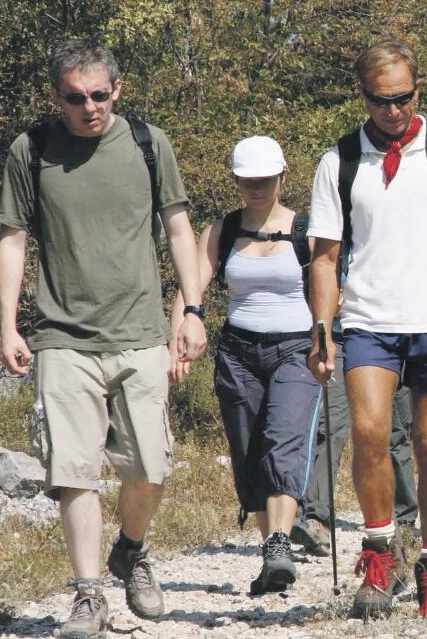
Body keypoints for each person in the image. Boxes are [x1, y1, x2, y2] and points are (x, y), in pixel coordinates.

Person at [0, 39, 206, 639]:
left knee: (149, 464)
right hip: (62, 336)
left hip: (140, 332)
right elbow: (12, 237)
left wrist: (191, 309)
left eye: (99, 95)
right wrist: (10, 324)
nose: (89, 107)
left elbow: (178, 227)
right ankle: (89, 595)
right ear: (55, 97)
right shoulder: (31, 150)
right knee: (74, 469)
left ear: (119, 89)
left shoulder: (147, 143)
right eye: (75, 97)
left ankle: (131, 550)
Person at [307, 40, 427, 619]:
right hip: (369, 318)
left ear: (418, 89)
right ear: (362, 96)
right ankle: (378, 554)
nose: (392, 111)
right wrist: (321, 327)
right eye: (379, 100)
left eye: (403, 98)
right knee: (369, 433)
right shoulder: (339, 160)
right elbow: (324, 255)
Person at [169, 136, 322, 595]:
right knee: (248, 452)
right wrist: (177, 339)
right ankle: (272, 554)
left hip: (296, 349)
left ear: (282, 177)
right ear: (236, 179)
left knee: (283, 442)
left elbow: (330, 291)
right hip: (238, 352)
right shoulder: (222, 230)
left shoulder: (305, 231)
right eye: (246, 180)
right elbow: (190, 288)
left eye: (264, 180)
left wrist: (328, 340)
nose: (255, 188)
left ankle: (279, 541)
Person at [292, 320, 419, 556]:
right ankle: (316, 519)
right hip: (342, 339)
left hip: (392, 338)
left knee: (396, 432)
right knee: (329, 427)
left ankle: (403, 520)